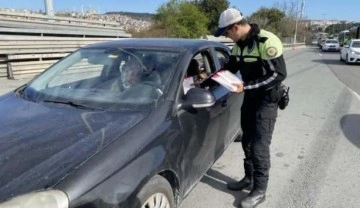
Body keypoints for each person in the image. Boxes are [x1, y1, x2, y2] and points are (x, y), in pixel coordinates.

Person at [214, 8, 287, 208]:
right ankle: (249, 178)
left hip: (267, 100)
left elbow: (278, 75)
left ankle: (259, 190)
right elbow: (231, 67)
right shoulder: (238, 46)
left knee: (259, 146)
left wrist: (246, 86)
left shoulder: (267, 41)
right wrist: (208, 77)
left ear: (236, 27)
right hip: (250, 99)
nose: (227, 37)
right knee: (246, 140)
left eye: (227, 33)